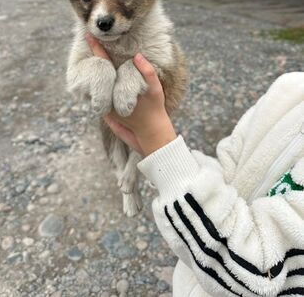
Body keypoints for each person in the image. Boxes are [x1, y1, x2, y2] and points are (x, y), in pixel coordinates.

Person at [85, 34, 304, 297]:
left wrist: (157, 138)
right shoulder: (289, 90)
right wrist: (162, 152)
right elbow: (225, 170)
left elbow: (267, 276)